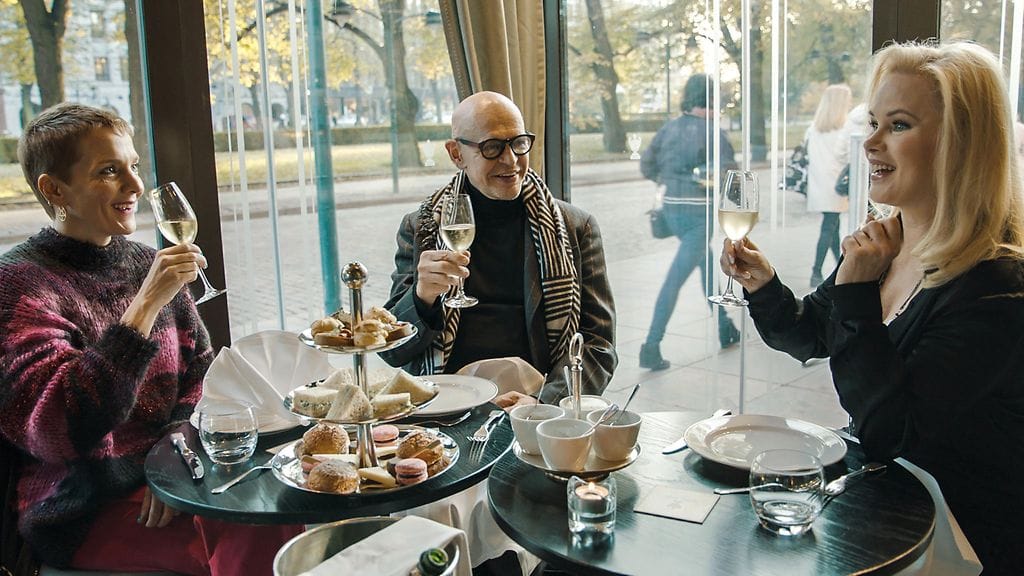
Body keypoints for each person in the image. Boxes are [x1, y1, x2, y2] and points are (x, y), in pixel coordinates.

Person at [721, 42, 1024, 574]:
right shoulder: (892, 239)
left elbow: (890, 429)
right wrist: (764, 285)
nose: (871, 143)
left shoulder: (998, 285)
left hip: (955, 539)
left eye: (899, 125)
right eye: (873, 122)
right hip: (887, 506)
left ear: (961, 144)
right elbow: (812, 333)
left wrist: (858, 294)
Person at [0, 103, 300, 575]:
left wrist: (172, 460)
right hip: (83, 506)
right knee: (256, 531)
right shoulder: (19, 284)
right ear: (53, 188)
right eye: (108, 171)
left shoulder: (143, 260)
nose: (135, 186)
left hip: (169, 475)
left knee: (281, 504)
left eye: (134, 166)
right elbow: (60, 427)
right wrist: (143, 307)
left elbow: (201, 375)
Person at [380, 91, 616, 409]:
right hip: (447, 404)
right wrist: (422, 297)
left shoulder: (576, 227)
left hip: (536, 402)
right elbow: (393, 351)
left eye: (519, 143)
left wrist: (545, 403)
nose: (510, 160)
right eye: (492, 147)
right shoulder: (422, 227)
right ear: (456, 154)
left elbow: (598, 344)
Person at [638, 73, 741, 371]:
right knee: (675, 280)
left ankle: (725, 327)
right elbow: (730, 177)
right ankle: (651, 345)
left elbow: (647, 166)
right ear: (711, 99)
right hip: (700, 215)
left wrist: (669, 179)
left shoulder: (669, 129)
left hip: (672, 211)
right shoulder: (714, 133)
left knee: (706, 263)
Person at [806, 84, 853, 287]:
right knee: (829, 227)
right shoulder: (845, 129)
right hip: (836, 185)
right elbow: (847, 156)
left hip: (818, 184)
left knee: (833, 226)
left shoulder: (813, 128)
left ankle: (839, 267)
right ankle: (816, 271)